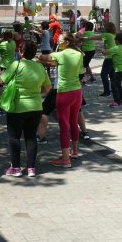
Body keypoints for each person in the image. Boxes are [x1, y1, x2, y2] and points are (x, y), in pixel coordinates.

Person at [0, 41, 51, 177]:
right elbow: (48, 87)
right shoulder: (40, 67)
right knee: (31, 136)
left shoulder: (17, 64)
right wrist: (37, 93)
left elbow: (1, 81)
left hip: (17, 107)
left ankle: (16, 168)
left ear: (21, 52)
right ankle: (31, 168)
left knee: (14, 137)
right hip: (36, 106)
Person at [39, 32, 83, 168]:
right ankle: (75, 151)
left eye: (60, 40)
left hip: (64, 93)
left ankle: (65, 160)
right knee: (73, 122)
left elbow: (43, 56)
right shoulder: (79, 54)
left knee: (64, 125)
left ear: (67, 42)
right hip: (77, 92)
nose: (58, 42)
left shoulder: (60, 54)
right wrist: (48, 62)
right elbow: (56, 64)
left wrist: (41, 60)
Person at [86, 22, 117, 97]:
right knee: (112, 75)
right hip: (114, 57)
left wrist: (86, 38)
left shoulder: (107, 35)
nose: (104, 27)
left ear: (108, 28)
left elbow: (95, 37)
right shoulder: (113, 35)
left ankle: (107, 92)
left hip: (109, 58)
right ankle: (114, 90)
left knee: (103, 74)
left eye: (105, 26)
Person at [101, 33, 122, 107]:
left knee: (114, 84)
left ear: (117, 40)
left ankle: (117, 101)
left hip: (120, 69)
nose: (114, 40)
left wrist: (101, 49)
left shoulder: (116, 48)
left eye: (115, 39)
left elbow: (105, 52)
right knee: (118, 83)